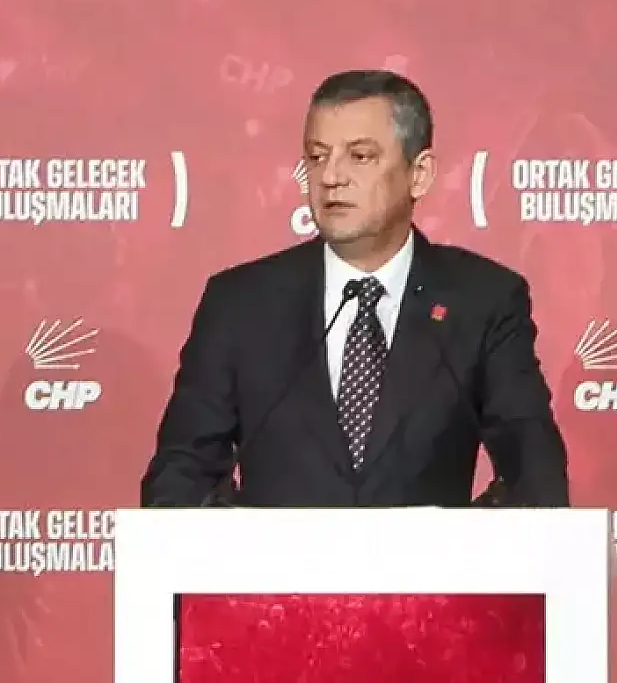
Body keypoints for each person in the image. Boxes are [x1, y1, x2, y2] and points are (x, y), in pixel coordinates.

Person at [141, 70, 569, 507]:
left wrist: (465, 542)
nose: (330, 177)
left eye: (360, 156)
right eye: (317, 156)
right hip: (272, 555)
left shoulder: (483, 300)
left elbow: (533, 472)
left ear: (419, 174)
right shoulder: (241, 303)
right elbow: (180, 477)